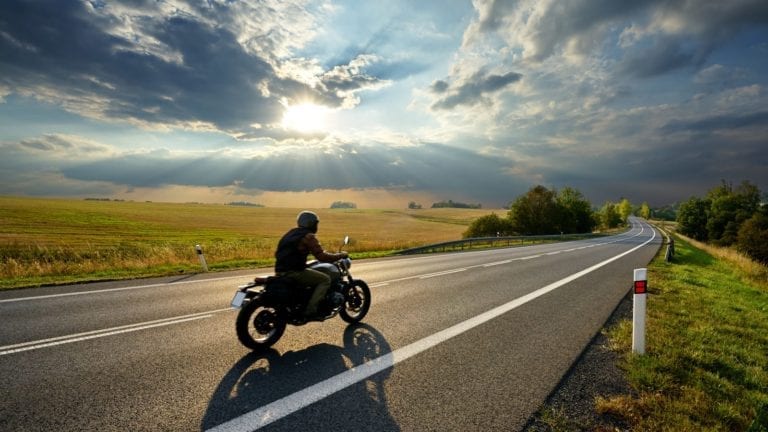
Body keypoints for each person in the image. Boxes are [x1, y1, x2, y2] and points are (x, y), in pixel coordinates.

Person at [274, 211, 348, 319]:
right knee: (325, 279)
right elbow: (321, 257)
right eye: (315, 224)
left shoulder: (290, 233)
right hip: (294, 272)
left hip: (280, 271)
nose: (316, 226)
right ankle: (311, 311)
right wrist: (340, 255)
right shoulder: (308, 236)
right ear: (311, 224)